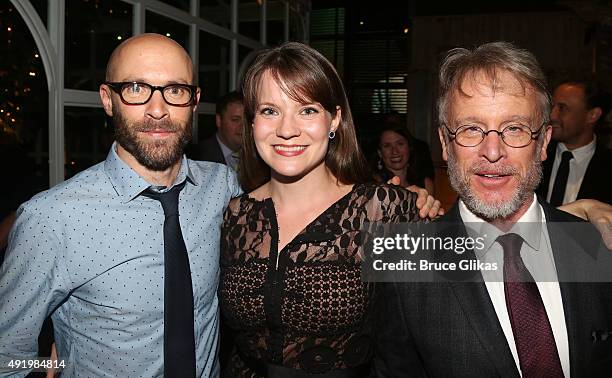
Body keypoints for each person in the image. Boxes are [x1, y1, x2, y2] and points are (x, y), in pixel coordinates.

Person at [0, 33, 241, 377]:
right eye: (136, 89)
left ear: (194, 101)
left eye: (175, 90)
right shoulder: (51, 218)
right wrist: (59, 364)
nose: (157, 110)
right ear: (108, 99)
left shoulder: (222, 186)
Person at [374, 42, 612, 377]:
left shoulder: (597, 244)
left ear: (543, 142)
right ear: (445, 143)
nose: (492, 151)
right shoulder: (405, 266)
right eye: (472, 129)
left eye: (514, 128)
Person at [217, 41, 438, 377]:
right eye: (269, 110)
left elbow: (449, 320)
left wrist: (438, 220)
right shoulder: (236, 215)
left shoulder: (383, 210)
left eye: (307, 110)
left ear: (334, 119)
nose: (287, 130)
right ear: (252, 122)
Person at [537, 80, 612, 205]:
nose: (552, 116)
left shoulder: (607, 166)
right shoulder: (536, 154)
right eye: (552, 107)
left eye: (562, 108)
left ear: (592, 115)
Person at [192, 91, 244, 170]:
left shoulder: (256, 157)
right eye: (235, 120)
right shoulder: (198, 159)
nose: (243, 127)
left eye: (247, 121)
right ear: (219, 121)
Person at [373, 125, 433, 192]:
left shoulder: (426, 184)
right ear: (380, 153)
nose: (395, 151)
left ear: (409, 148)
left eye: (400, 144)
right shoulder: (373, 186)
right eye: (387, 146)